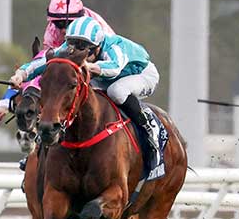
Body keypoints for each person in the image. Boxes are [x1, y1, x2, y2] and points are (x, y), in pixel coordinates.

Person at [9, 16, 162, 172]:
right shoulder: (69, 47)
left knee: (116, 92)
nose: (76, 50)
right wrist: (21, 75)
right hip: (106, 77)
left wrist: (87, 65)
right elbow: (42, 63)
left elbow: (114, 68)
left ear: (97, 46)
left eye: (83, 46)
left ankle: (148, 128)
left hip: (139, 74)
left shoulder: (113, 46)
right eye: (73, 44)